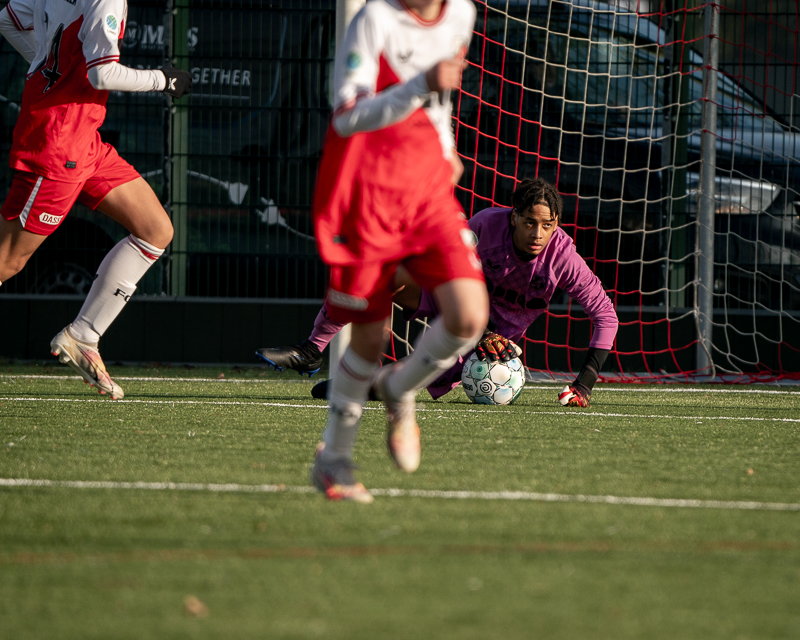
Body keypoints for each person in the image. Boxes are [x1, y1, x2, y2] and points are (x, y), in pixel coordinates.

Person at [305, 0, 487, 503]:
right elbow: (345, 116)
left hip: (428, 193)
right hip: (368, 197)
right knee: (368, 338)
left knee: (470, 317)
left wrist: (448, 152)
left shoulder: (461, 16)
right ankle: (334, 461)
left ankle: (400, 387)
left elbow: (439, 104)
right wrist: (416, 85)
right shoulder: (375, 20)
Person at [258, 177, 619, 409]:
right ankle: (311, 351)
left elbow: (606, 316)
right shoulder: (484, 228)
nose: (538, 233)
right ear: (513, 217)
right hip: (451, 301)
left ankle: (360, 386)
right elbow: (441, 263)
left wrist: (584, 384)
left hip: (493, 344)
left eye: (548, 225)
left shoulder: (563, 258)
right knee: (377, 274)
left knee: (411, 381)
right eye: (530, 222)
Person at [0, 0, 191, 399]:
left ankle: (83, 336)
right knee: (7, 262)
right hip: (56, 143)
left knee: (155, 229)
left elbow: (9, 21)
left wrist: (48, 69)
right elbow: (102, 73)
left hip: (83, 140)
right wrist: (164, 80)